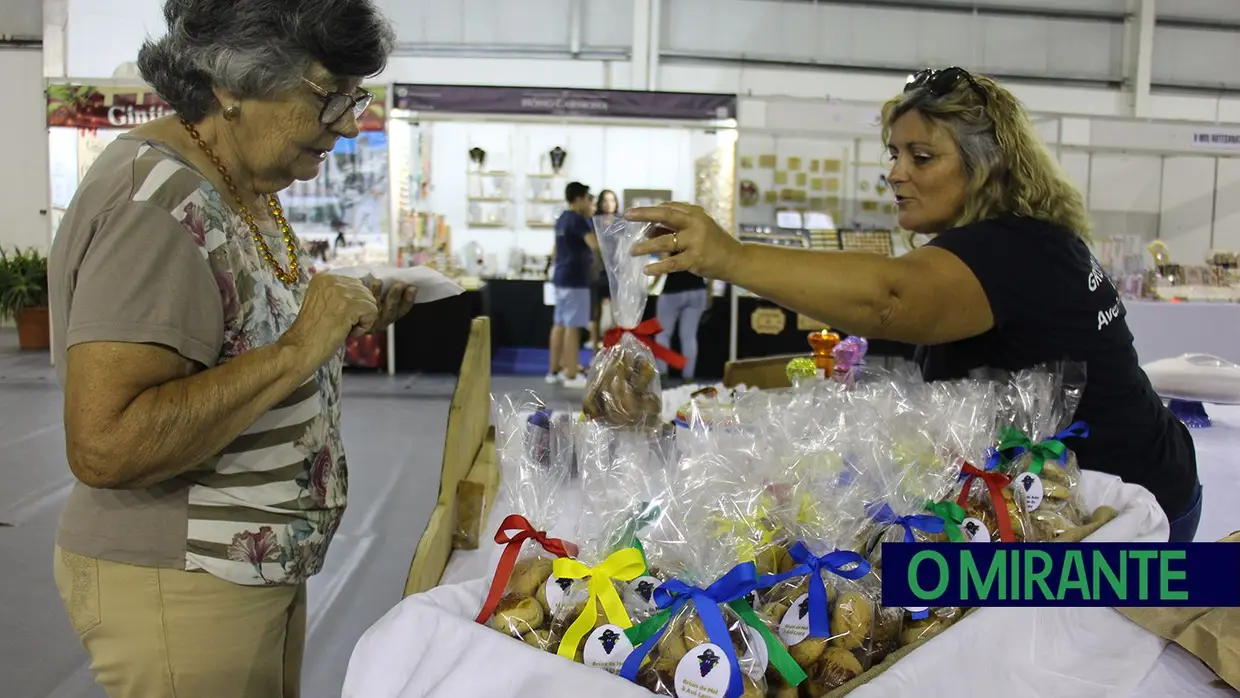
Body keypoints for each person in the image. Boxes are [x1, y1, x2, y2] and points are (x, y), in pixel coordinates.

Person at [626, 67, 1201, 542]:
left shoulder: (1013, 248)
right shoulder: (1019, 241)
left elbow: (889, 299)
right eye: (894, 154)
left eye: (921, 157)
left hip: (1130, 514)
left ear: (987, 165)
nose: (895, 173)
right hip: (1085, 490)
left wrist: (728, 257)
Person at [46, 2, 410, 696]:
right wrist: (300, 346)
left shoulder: (238, 184)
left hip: (242, 574)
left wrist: (334, 324)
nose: (349, 122)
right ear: (230, 84)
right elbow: (105, 442)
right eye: (327, 96)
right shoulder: (153, 205)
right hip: (182, 579)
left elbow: (235, 334)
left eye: (353, 97)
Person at [547, 181, 599, 388]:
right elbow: (595, 245)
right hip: (575, 280)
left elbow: (555, 251)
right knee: (573, 326)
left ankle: (553, 371)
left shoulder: (561, 219)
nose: (590, 204)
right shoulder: (578, 221)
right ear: (578, 199)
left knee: (559, 324)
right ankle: (570, 373)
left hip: (561, 278)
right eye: (588, 199)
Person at [655, 265, 709, 383]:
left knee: (662, 334)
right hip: (698, 289)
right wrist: (709, 292)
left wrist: (652, 284)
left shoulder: (671, 245)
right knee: (689, 336)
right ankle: (688, 377)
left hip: (673, 289)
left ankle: (663, 374)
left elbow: (664, 264)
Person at [588, 189, 620, 350]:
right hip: (597, 272)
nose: (609, 204)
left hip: (615, 273)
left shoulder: (620, 225)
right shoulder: (594, 223)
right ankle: (595, 348)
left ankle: (613, 347)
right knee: (595, 313)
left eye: (612, 200)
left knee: (616, 313)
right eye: (605, 200)